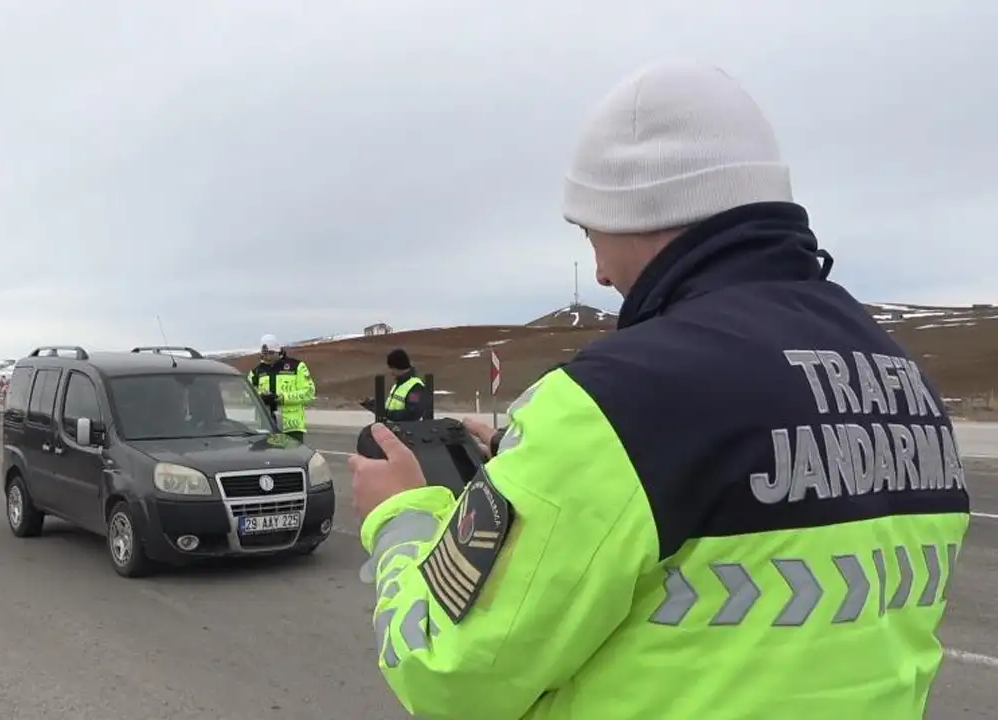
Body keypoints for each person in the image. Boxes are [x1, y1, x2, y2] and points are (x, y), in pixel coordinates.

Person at [348, 58, 971, 719]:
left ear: (637, 211)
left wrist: (403, 517)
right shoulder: (903, 377)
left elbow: (446, 674)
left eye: (592, 231)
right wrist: (525, 454)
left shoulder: (620, 402)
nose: (601, 271)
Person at [247, 333, 315, 442]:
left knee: (293, 458)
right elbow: (248, 396)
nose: (267, 357)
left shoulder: (296, 367)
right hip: (266, 426)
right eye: (264, 354)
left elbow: (309, 392)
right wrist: (260, 399)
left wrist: (282, 398)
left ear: (278, 351)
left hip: (292, 427)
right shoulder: (256, 372)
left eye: (271, 353)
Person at [361, 349, 428, 421]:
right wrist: (375, 405)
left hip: (404, 430)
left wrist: (386, 413)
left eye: (392, 368)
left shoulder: (416, 387)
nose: (392, 372)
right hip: (393, 428)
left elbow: (412, 413)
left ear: (399, 367)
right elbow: (392, 406)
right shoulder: (399, 384)